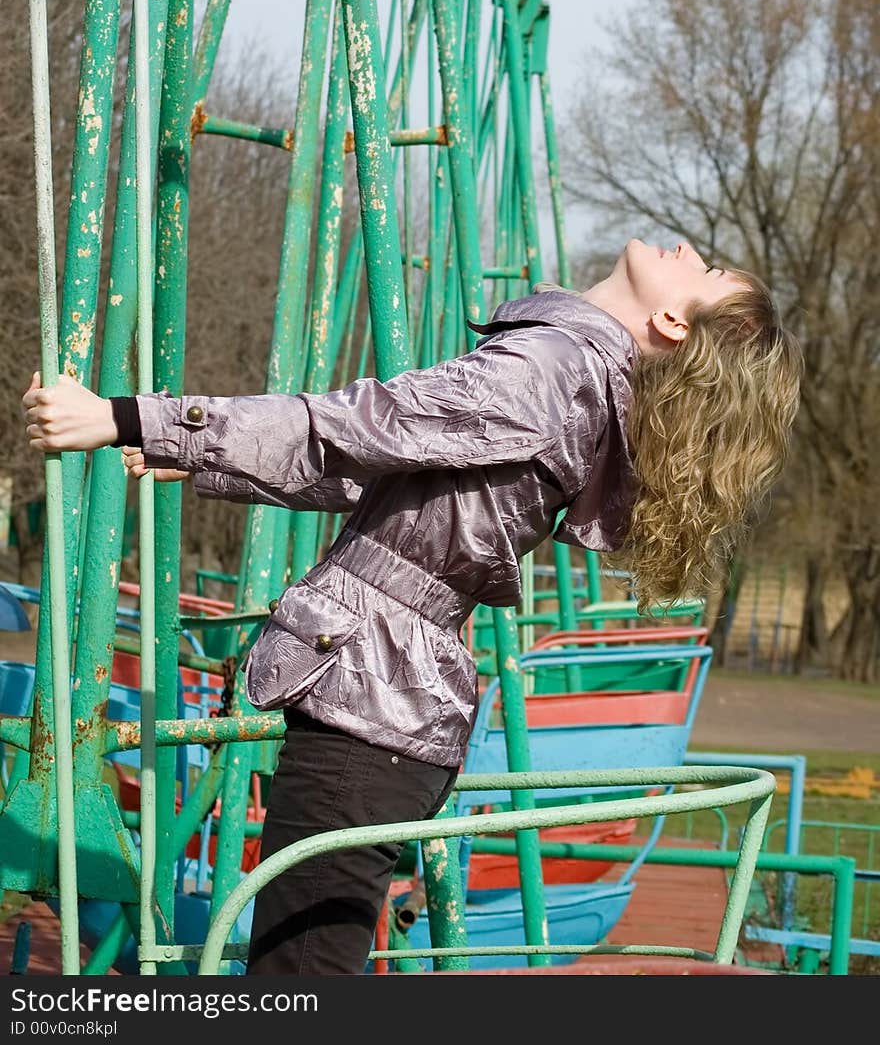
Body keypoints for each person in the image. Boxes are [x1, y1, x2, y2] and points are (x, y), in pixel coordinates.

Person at [22, 237, 802, 975]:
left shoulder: (554, 366)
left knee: (296, 980)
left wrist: (127, 416)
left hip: (368, 707)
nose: (684, 250)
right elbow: (379, 467)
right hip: (392, 708)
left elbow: (361, 422)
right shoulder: (580, 380)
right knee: (303, 968)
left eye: (709, 267)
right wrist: (187, 444)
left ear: (673, 320)